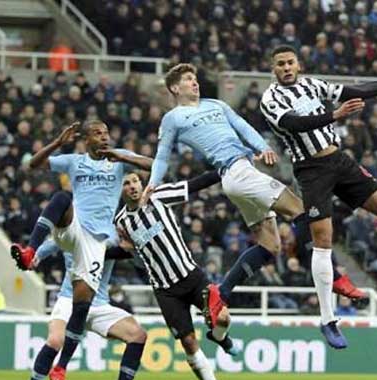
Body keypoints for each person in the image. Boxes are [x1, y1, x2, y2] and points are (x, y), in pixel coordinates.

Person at [143, 63, 365, 350]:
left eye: (195, 78)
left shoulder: (216, 105)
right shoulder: (173, 118)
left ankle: (220, 293)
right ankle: (334, 276)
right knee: (302, 212)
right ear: (175, 88)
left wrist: (263, 147)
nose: (194, 83)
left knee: (270, 245)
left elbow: (243, 127)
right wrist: (153, 184)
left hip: (242, 174)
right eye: (187, 80)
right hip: (236, 173)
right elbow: (162, 156)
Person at [260, 45, 377, 348]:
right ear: (273, 69)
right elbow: (292, 124)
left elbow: (358, 90)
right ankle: (328, 319)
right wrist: (334, 115)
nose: (286, 68)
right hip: (311, 170)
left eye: (290, 62)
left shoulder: (313, 85)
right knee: (323, 239)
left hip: (339, 161)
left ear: (298, 64)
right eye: (280, 64)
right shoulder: (270, 99)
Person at [10, 120, 152, 380]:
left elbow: (153, 164)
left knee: (135, 333)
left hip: (97, 251)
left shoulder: (118, 161)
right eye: (98, 133)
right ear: (86, 140)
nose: (104, 137)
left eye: (107, 133)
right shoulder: (75, 161)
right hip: (76, 231)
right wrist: (57, 143)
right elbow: (32, 165)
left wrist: (122, 156)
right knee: (62, 198)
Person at [116, 172, 239, 380]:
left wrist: (223, 170)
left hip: (191, 276)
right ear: (120, 190)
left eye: (135, 181)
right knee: (188, 342)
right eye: (126, 183)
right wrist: (125, 251)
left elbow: (194, 184)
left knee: (223, 318)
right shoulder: (121, 222)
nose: (132, 186)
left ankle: (220, 337)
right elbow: (134, 255)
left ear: (141, 183)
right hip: (166, 290)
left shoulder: (158, 196)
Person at [22, 239, 145, 380]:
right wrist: (35, 258)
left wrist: (134, 250)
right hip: (69, 299)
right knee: (55, 340)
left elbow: (139, 262)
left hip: (99, 303)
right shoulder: (73, 230)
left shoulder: (112, 233)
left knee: (137, 335)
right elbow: (53, 242)